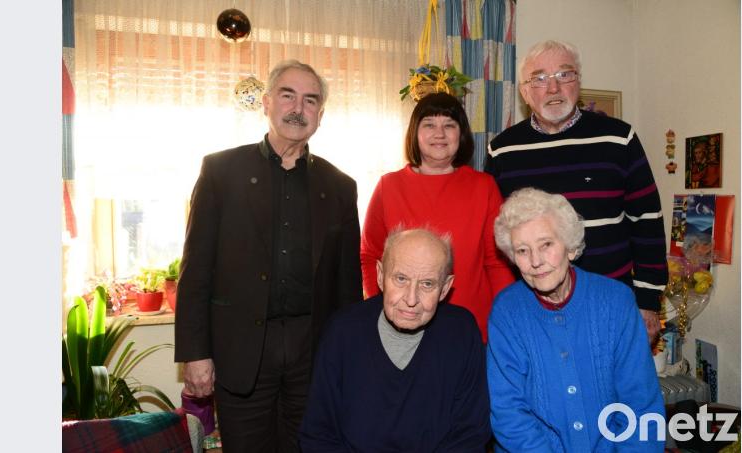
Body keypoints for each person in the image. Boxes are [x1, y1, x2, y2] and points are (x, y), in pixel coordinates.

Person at [174, 59, 362, 452]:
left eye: (310, 101)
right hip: (241, 349)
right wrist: (195, 354)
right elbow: (196, 271)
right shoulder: (220, 172)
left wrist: (348, 360)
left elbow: (348, 288)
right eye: (287, 95)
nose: (298, 108)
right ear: (266, 103)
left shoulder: (341, 186)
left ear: (320, 115)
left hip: (312, 353)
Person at [485, 39, 668, 342]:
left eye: (564, 75)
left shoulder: (619, 138)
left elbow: (647, 220)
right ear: (524, 91)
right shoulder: (502, 150)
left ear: (578, 83)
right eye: (540, 78)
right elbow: (497, 238)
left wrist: (648, 302)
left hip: (612, 303)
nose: (553, 88)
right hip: (533, 310)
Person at [487, 188, 664, 452]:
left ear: (570, 247)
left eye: (546, 245)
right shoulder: (506, 313)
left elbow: (640, 406)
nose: (536, 261)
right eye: (522, 251)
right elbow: (509, 414)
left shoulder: (617, 302)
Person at [300, 228, 491, 452]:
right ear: (380, 275)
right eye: (401, 279)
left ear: (445, 288)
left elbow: (470, 434)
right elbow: (318, 434)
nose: (411, 299)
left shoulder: (461, 333)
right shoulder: (343, 332)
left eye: (427, 284)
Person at [361, 92, 515, 342]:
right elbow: (370, 257)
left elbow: (496, 263)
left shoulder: (484, 187)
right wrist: (382, 309)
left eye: (449, 125)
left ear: (461, 134)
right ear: (415, 132)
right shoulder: (388, 186)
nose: (439, 133)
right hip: (403, 326)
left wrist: (510, 317)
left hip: (472, 328)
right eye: (429, 124)